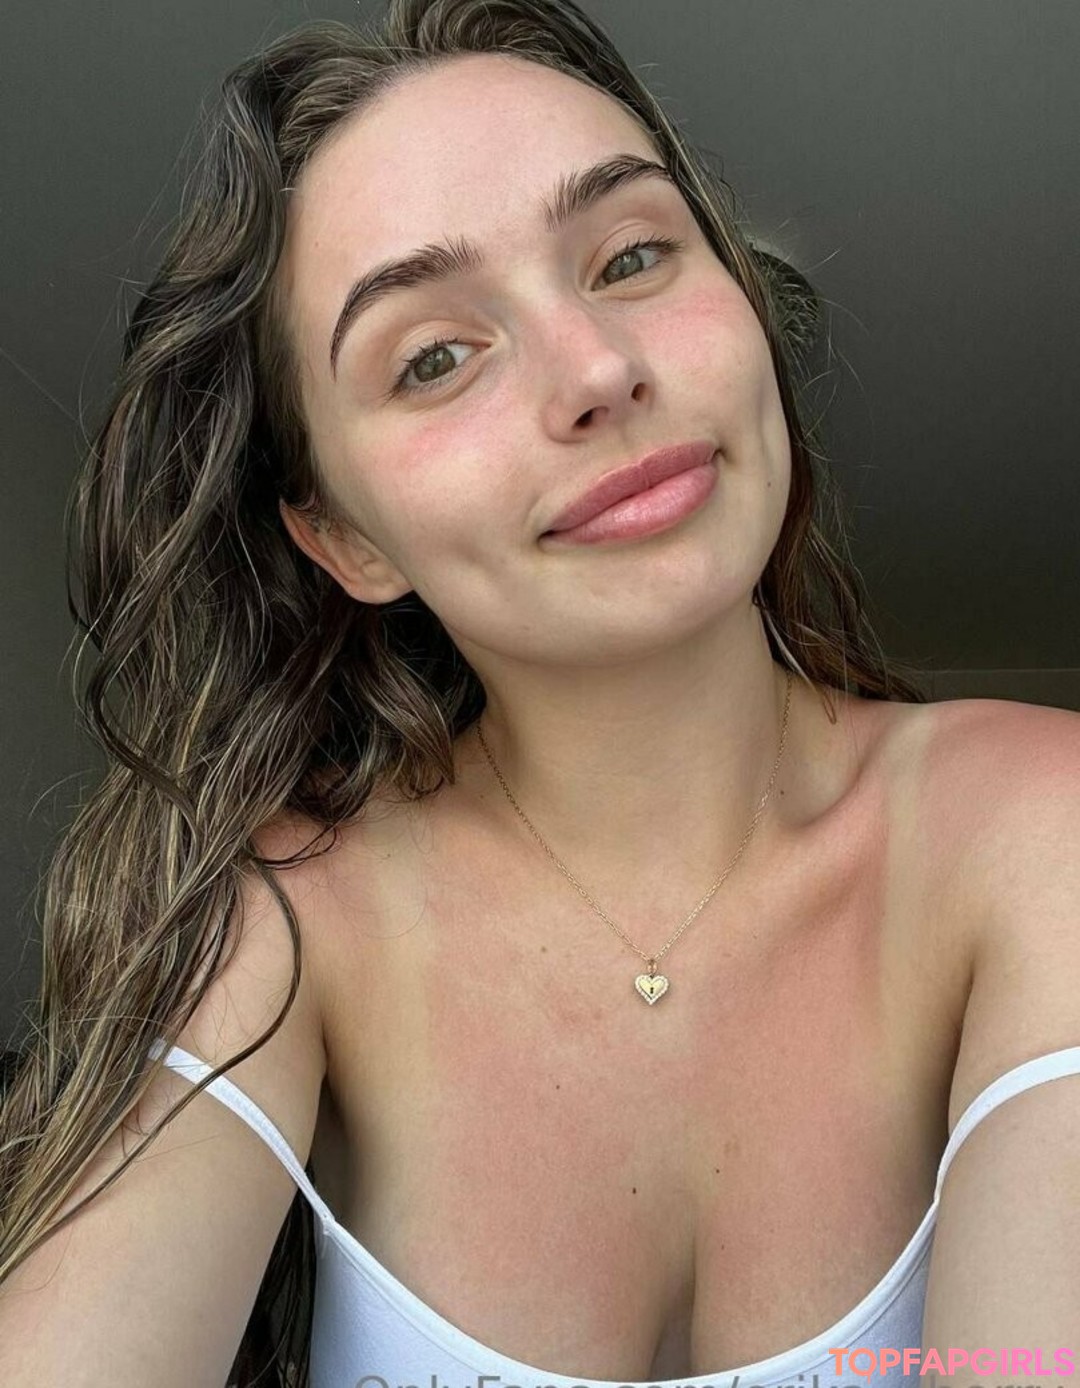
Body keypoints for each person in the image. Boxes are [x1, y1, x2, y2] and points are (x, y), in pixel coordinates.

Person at [1, 1, 1078, 1385]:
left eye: (632, 256)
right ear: (347, 539)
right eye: (434, 356)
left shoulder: (1036, 826)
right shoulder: (281, 915)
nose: (599, 372)